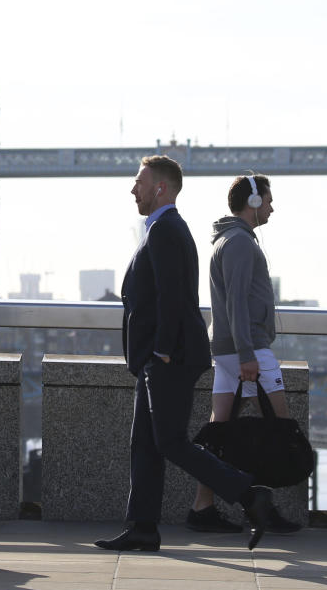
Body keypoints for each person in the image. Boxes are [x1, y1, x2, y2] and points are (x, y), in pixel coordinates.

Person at [94, 155, 274, 553]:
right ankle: (142, 526)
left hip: (169, 357)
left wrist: (160, 352)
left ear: (161, 187)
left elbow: (175, 298)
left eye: (139, 181)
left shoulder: (165, 230)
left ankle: (249, 495)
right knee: (144, 443)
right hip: (156, 358)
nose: (132, 188)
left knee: (171, 442)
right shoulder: (160, 228)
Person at [185, 174, 301, 534]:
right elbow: (236, 302)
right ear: (251, 202)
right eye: (267, 199)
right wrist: (249, 354)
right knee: (279, 429)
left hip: (231, 349)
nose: (271, 206)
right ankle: (263, 508)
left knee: (220, 431)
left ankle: (202, 508)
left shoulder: (231, 239)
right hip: (247, 349)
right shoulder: (238, 243)